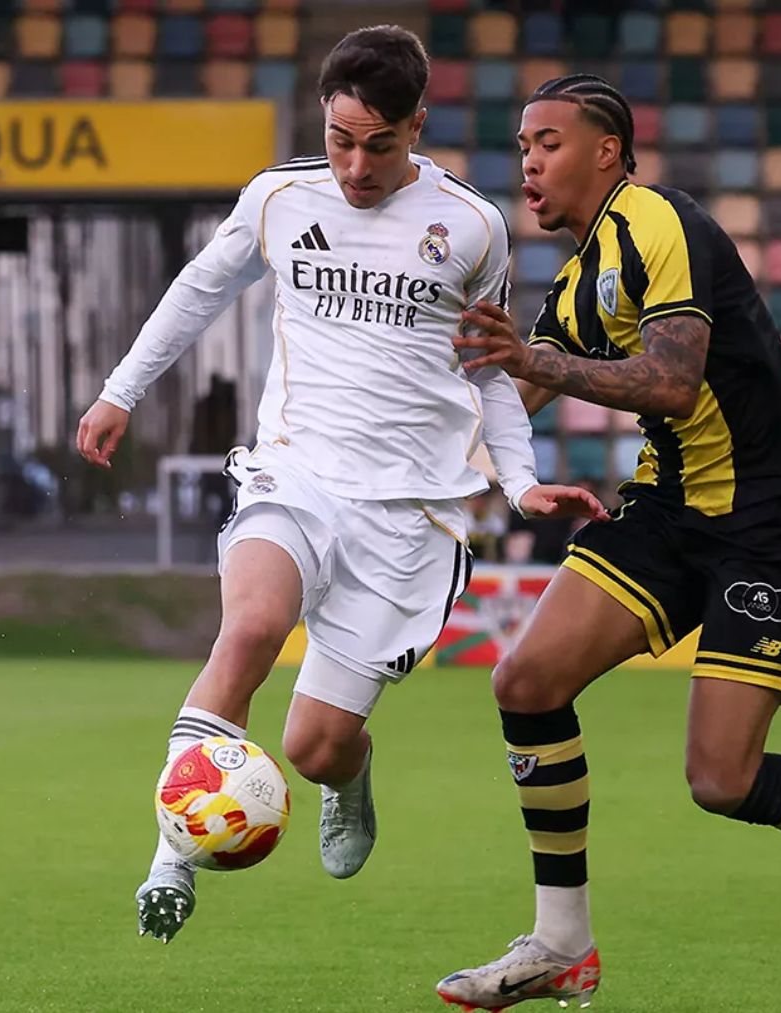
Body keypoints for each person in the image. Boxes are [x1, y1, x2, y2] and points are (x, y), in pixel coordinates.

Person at [435, 75, 781, 1010]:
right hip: (669, 509)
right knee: (524, 681)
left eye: (548, 141)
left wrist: (531, 362)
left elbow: (674, 383)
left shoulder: (658, 222)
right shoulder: (575, 282)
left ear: (607, 151)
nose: (526, 161)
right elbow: (499, 405)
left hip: (770, 521)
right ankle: (560, 942)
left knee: (721, 780)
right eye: (522, 144)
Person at [72, 26, 605, 945]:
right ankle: (171, 851)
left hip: (408, 513)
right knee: (249, 628)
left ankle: (349, 777)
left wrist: (520, 484)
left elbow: (489, 373)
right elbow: (199, 289)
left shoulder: (472, 228)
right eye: (339, 139)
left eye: (379, 144)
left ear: (417, 127)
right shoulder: (280, 199)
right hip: (296, 471)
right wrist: (123, 390)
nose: (356, 165)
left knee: (315, 745)